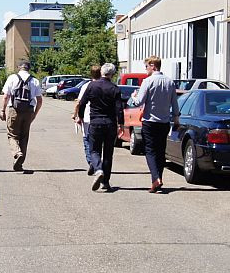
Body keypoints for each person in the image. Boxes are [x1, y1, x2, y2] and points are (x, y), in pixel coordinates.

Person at [128, 55, 180, 193]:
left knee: (150, 151)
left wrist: (133, 97)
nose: (145, 69)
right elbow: (175, 104)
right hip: (164, 122)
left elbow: (139, 102)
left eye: (146, 66)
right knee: (160, 151)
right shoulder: (170, 82)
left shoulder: (148, 81)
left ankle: (156, 178)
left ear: (153, 66)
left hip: (150, 122)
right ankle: (158, 179)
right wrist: (176, 120)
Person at [74, 63, 124, 192]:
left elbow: (82, 103)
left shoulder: (92, 85)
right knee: (108, 153)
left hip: (95, 121)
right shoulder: (114, 88)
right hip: (110, 123)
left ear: (101, 72)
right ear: (112, 74)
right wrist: (121, 124)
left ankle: (98, 169)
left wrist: (80, 116)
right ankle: (105, 182)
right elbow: (119, 108)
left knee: (94, 150)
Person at [0, 61, 43, 171]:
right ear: (29, 68)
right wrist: (34, 114)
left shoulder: (12, 78)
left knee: (12, 135)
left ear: (19, 68)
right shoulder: (35, 81)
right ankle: (19, 163)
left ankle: (17, 153)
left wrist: (2, 110)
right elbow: (40, 100)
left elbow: (6, 96)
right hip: (28, 110)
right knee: (24, 137)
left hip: (15, 110)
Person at [74, 65, 102, 175]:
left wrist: (77, 116)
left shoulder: (86, 86)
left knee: (87, 140)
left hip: (86, 117)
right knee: (97, 142)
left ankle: (91, 162)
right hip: (99, 117)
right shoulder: (105, 85)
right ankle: (96, 162)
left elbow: (80, 103)